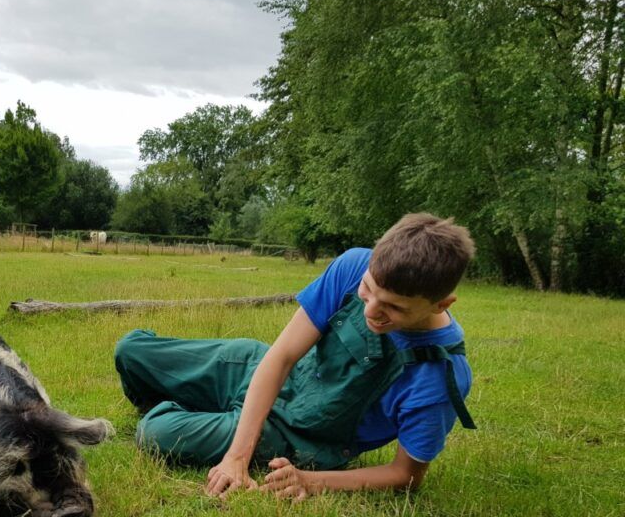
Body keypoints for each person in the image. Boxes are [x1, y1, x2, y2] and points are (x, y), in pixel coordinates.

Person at [114, 212, 476, 500]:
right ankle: (209, 410)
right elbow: (283, 355)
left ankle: (200, 413)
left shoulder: (442, 374)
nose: (372, 311)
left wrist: (310, 480)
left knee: (154, 432)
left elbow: (405, 475)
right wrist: (236, 458)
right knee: (131, 351)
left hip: (296, 434)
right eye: (368, 290)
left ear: (441, 303)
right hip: (262, 369)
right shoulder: (353, 264)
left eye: (394, 308)